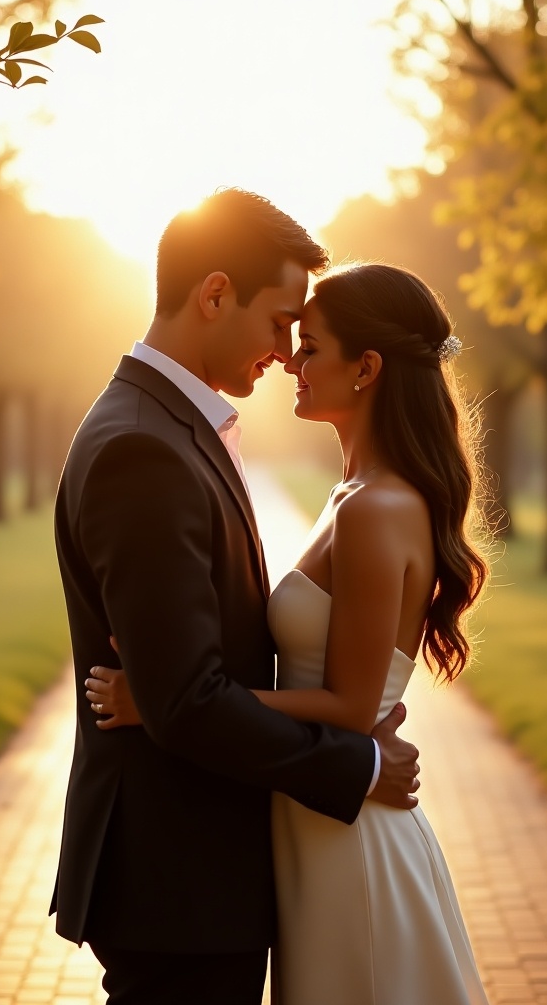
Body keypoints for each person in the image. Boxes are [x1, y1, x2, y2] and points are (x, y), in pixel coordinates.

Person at [50, 190, 421, 1005]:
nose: (287, 351)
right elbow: (187, 701)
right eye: (281, 320)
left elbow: (179, 689)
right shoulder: (142, 450)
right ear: (215, 294)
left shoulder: (167, 428)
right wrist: (355, 766)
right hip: (177, 884)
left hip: (195, 882)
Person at [88, 262, 492, 1004]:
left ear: (366, 368)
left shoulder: (375, 509)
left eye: (310, 347)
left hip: (351, 839)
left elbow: (347, 705)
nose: (290, 363)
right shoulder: (351, 496)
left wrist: (166, 702)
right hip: (312, 820)